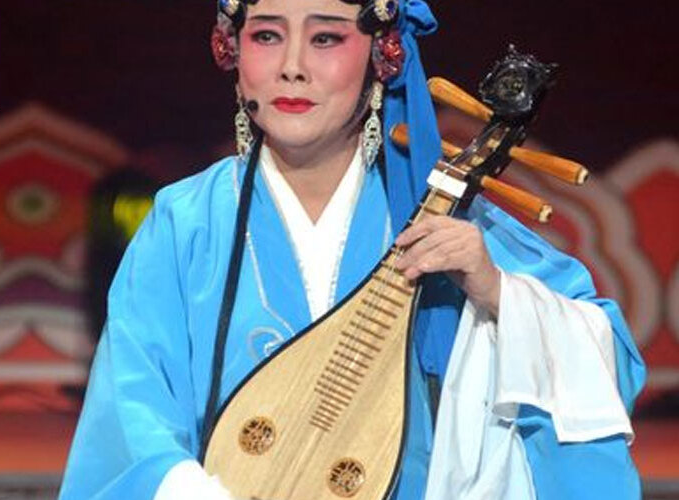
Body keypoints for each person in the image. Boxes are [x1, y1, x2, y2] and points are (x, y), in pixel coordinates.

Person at [58, 0, 646, 498]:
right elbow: (129, 412)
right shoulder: (185, 223)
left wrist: (495, 294)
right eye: (267, 36)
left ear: (382, 56)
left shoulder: (441, 219)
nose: (292, 68)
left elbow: (608, 365)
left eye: (326, 38)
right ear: (233, 53)